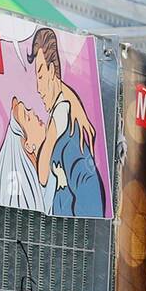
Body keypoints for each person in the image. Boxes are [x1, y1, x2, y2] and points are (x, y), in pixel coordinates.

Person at [28, 27, 106, 217]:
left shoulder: (61, 116)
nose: (38, 88)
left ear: (52, 70)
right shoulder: (63, 113)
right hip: (73, 220)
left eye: (40, 76)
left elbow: (43, 174)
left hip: (79, 220)